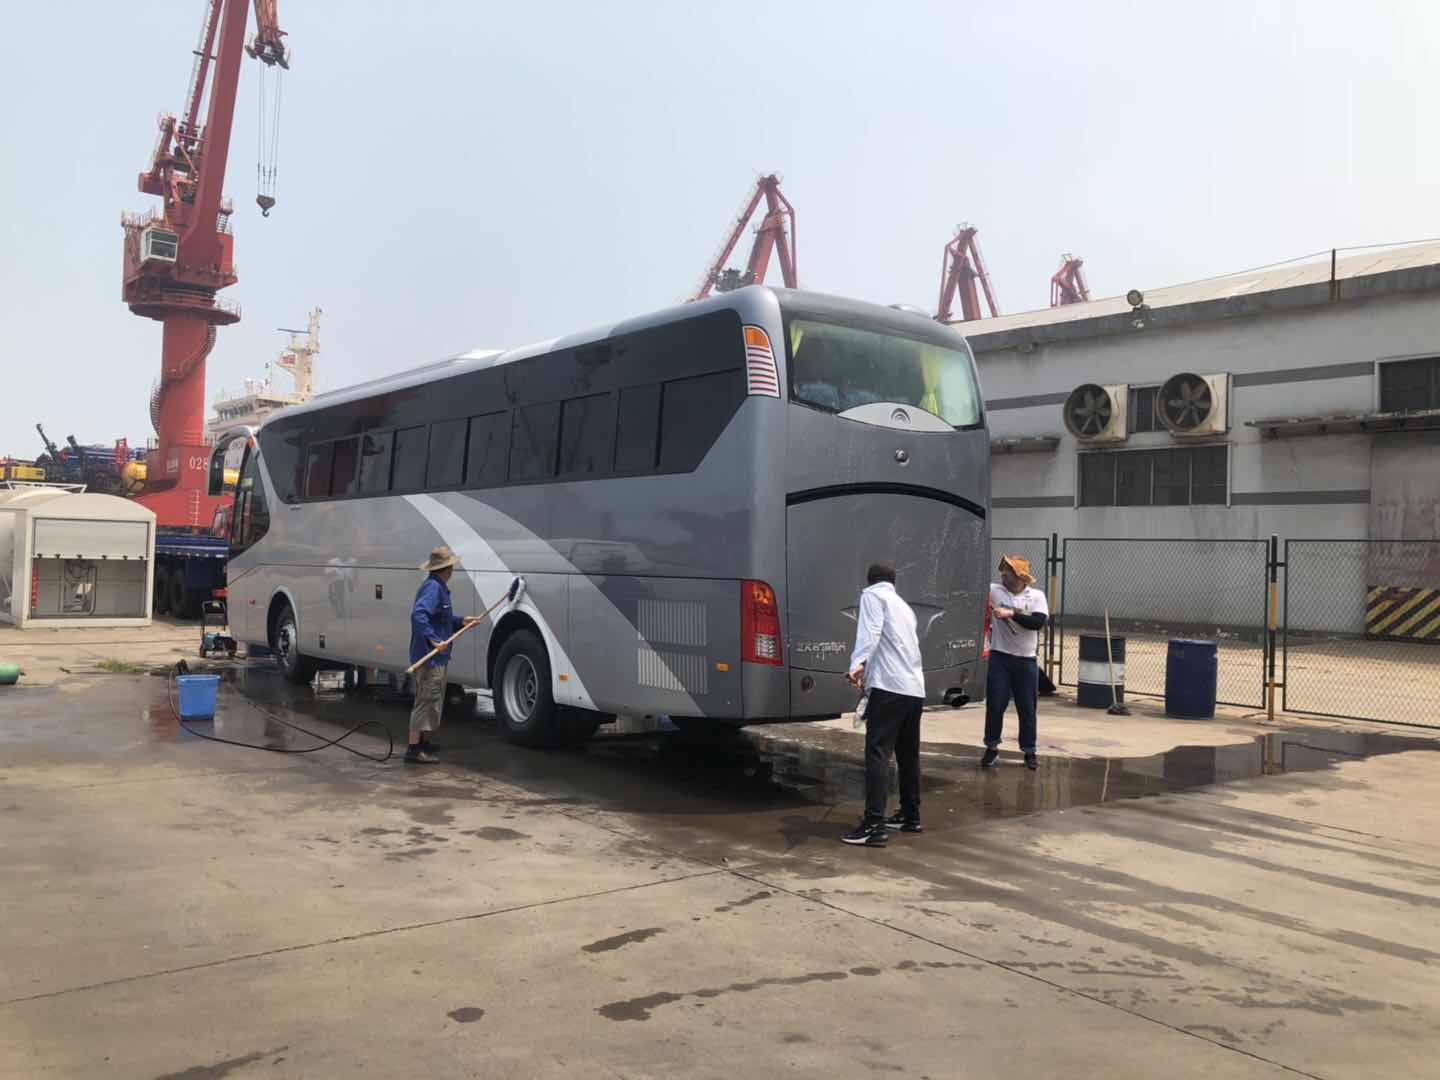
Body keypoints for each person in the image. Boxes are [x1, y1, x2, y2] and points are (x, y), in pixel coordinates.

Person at [842, 563, 927, 847]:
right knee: (907, 754)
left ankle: (874, 826)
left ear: (870, 581)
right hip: (914, 688)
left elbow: (870, 632)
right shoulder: (903, 606)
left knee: (877, 753)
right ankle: (910, 815)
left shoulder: (872, 596)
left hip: (889, 687)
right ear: (893, 582)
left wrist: (857, 664)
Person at [406, 546, 479, 765]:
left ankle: (423, 742)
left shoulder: (438, 587)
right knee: (425, 700)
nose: (453, 569)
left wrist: (461, 621)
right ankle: (413, 749)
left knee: (433, 700)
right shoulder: (433, 588)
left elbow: (442, 620)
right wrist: (433, 640)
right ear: (447, 568)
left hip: (437, 656)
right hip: (429, 657)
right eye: (451, 566)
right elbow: (419, 615)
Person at [983, 555, 1050, 771]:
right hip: (1000, 656)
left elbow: (1037, 622)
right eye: (1003, 570)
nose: (1003, 574)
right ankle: (992, 746)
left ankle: (1029, 750)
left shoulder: (1036, 596)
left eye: (1009, 572)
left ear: (1021, 577)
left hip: (1026, 660)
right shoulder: (994, 590)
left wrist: (1011, 613)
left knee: (1027, 707)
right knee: (995, 704)